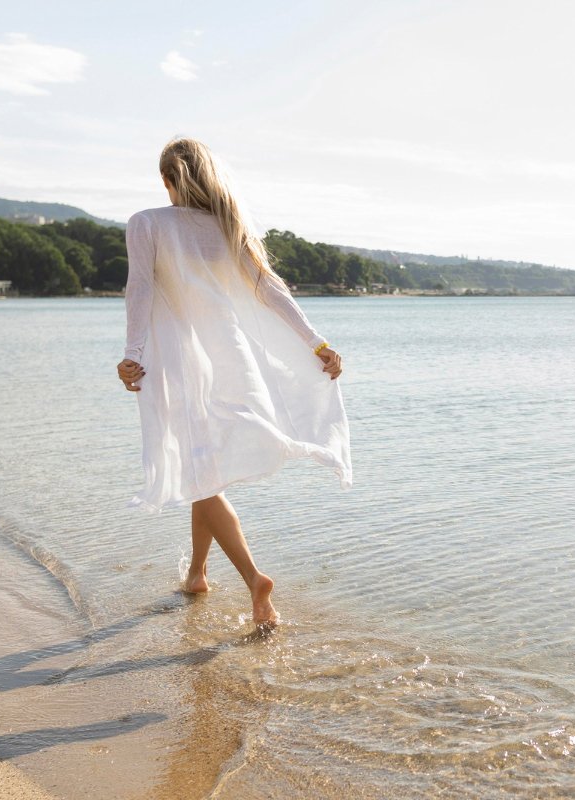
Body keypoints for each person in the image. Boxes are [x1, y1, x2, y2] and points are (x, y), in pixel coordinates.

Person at [117, 138, 352, 628]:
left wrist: (132, 354)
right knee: (205, 470)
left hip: (183, 363)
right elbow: (270, 290)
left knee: (201, 474)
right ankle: (198, 575)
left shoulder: (147, 223)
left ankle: (254, 580)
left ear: (167, 180)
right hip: (232, 359)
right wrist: (316, 343)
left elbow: (139, 287)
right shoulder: (228, 227)